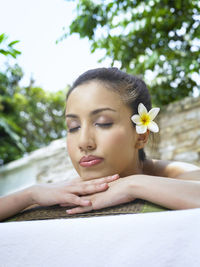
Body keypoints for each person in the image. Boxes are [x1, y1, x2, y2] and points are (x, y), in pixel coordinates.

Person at [0, 67, 199, 221]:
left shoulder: (174, 174)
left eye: (103, 123)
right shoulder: (67, 193)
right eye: (73, 127)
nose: (84, 142)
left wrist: (132, 185)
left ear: (141, 135)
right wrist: (31, 194)